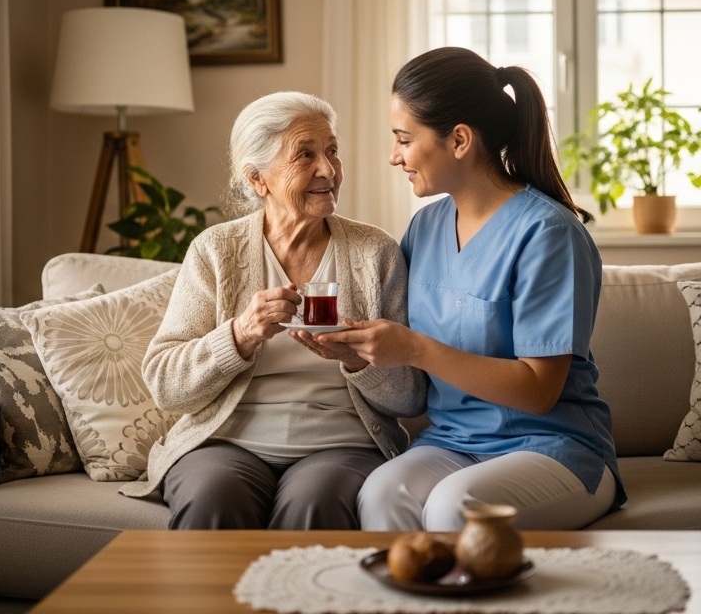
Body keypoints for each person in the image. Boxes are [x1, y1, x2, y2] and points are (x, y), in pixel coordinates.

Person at [314, 46, 624, 531]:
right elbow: (403, 362)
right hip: (455, 441)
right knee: (380, 493)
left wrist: (416, 348)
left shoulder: (548, 234)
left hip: (554, 446)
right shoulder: (425, 228)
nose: (393, 157)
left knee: (452, 508)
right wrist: (355, 348)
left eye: (403, 139)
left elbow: (540, 392)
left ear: (459, 140)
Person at [119, 91, 426, 530]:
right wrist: (240, 335)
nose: (329, 169)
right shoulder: (215, 251)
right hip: (226, 445)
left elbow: (412, 397)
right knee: (213, 497)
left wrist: (358, 361)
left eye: (332, 151)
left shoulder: (375, 252)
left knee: (315, 504)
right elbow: (167, 386)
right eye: (305, 155)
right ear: (258, 178)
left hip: (339, 447)